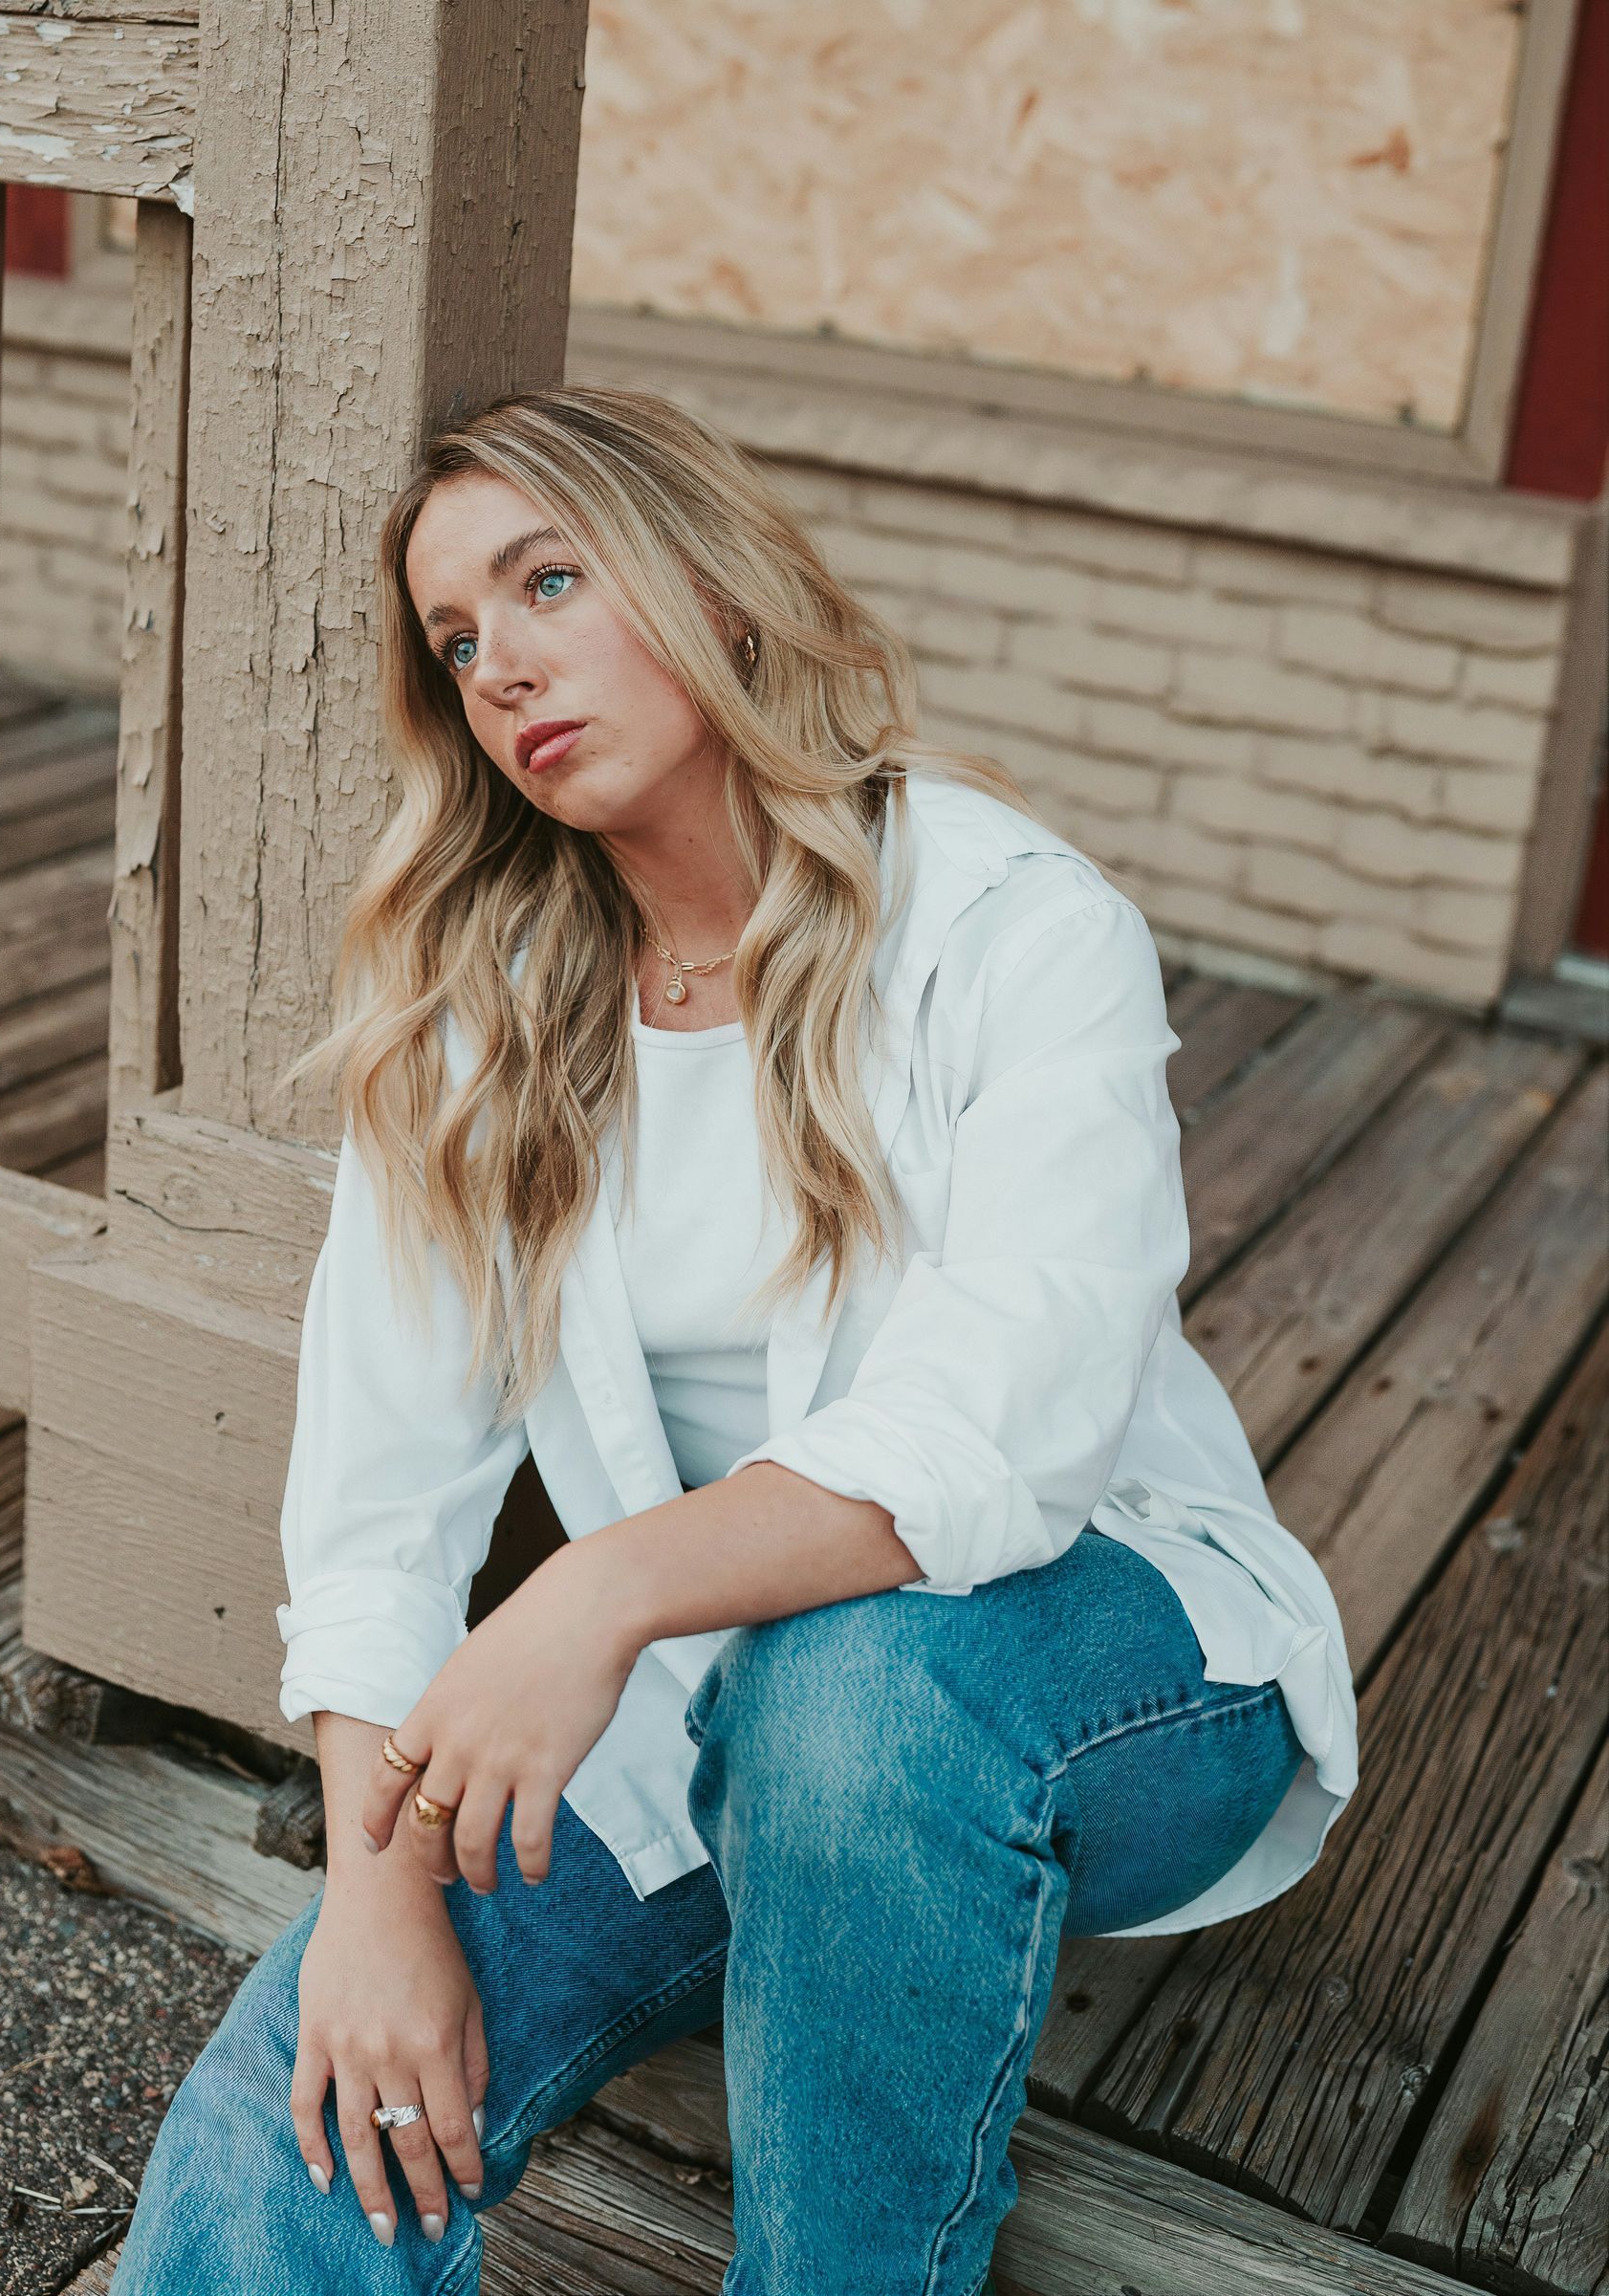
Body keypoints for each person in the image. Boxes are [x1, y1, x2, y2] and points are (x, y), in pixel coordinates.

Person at [113, 383, 1357, 2294]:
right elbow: (375, 1507)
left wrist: (600, 1589)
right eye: (457, 640)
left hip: (1112, 1673)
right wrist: (377, 1886)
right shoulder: (477, 1022)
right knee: (299, 2103)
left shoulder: (1014, 923)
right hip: (709, 1718)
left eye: (547, 579)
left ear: (713, 580)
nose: (503, 663)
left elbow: (999, 1425)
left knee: (849, 1689)